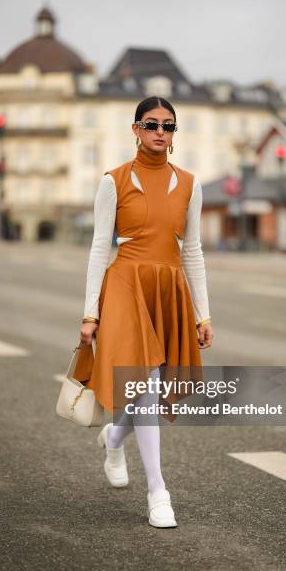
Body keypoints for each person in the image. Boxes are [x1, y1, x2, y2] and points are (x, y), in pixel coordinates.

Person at [76, 96, 213, 528]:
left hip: (169, 288)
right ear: (135, 129)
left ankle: (114, 438)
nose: (159, 132)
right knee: (147, 382)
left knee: (146, 387)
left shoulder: (190, 184)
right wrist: (89, 312)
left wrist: (202, 315)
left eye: (168, 126)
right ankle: (158, 491)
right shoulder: (112, 181)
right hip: (124, 286)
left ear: (174, 135)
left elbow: (192, 251)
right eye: (150, 124)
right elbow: (100, 247)